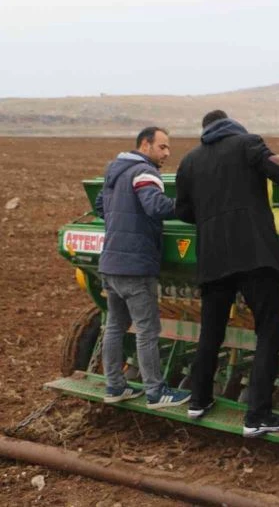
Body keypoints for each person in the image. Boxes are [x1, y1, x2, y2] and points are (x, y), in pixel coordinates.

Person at [175, 110, 279, 437]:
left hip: (213, 259)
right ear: (231, 125)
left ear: (205, 130)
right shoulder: (248, 144)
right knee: (269, 331)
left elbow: (183, 210)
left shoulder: (189, 161)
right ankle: (257, 416)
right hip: (253, 255)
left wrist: (211, 220)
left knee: (211, 331)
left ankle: (198, 401)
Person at [95, 127, 191, 409]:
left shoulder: (115, 170)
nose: (167, 153)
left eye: (168, 148)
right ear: (145, 144)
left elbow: (102, 206)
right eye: (162, 147)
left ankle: (114, 386)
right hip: (135, 266)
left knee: (115, 325)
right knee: (147, 330)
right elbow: (156, 206)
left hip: (110, 263)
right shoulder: (144, 172)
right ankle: (155, 392)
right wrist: (190, 208)